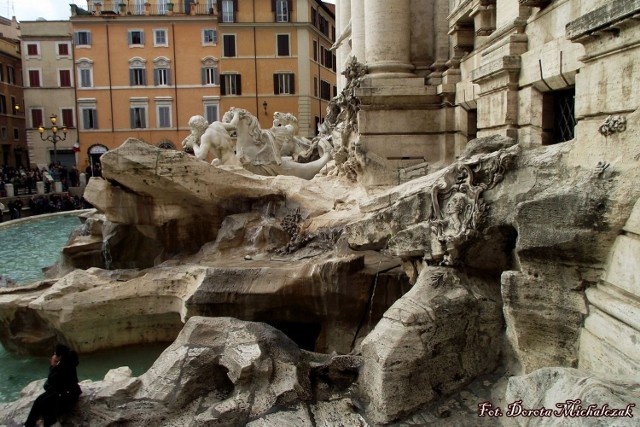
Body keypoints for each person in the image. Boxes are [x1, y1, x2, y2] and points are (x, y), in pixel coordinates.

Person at [24, 344, 82, 427]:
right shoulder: (68, 362)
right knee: (39, 400)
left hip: (67, 397)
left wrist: (52, 366)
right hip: (64, 392)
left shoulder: (62, 367)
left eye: (55, 354)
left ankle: (50, 424)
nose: (53, 356)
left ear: (60, 356)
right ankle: (29, 424)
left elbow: (51, 381)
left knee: (45, 405)